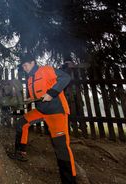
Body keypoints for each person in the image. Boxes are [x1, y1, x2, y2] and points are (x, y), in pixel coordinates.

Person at [8, 53, 77, 184]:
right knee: (21, 123)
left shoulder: (45, 70)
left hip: (56, 112)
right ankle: (20, 152)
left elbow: (65, 77)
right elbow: (37, 95)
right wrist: (29, 99)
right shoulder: (29, 80)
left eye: (26, 65)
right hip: (41, 111)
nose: (25, 68)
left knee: (61, 147)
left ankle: (69, 181)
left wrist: (52, 93)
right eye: (23, 66)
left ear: (33, 62)